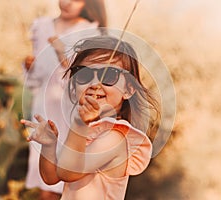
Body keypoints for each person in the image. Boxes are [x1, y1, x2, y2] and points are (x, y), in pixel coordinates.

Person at [21, 35, 160, 199]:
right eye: (84, 75)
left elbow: (68, 172)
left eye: (108, 75)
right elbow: (52, 177)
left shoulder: (115, 137)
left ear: (128, 89)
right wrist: (49, 146)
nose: (95, 83)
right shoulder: (85, 131)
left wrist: (79, 125)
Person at [22, 0, 107, 199]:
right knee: (45, 174)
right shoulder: (41, 26)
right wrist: (30, 69)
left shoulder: (90, 31)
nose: (67, 2)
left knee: (66, 177)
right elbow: (36, 80)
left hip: (70, 110)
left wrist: (62, 56)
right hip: (44, 106)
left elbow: (84, 77)